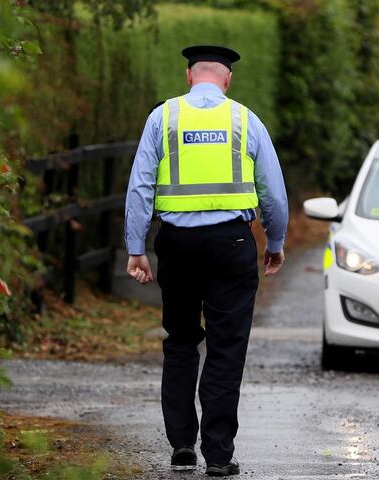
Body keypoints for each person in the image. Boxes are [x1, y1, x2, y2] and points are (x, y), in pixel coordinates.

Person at [123, 45, 288, 476]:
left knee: (179, 341)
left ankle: (181, 444)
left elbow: (140, 186)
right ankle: (218, 454)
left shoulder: (163, 118)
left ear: (188, 75)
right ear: (227, 79)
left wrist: (136, 247)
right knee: (226, 347)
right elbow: (272, 190)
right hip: (231, 244)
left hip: (177, 245)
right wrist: (275, 241)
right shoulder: (245, 119)